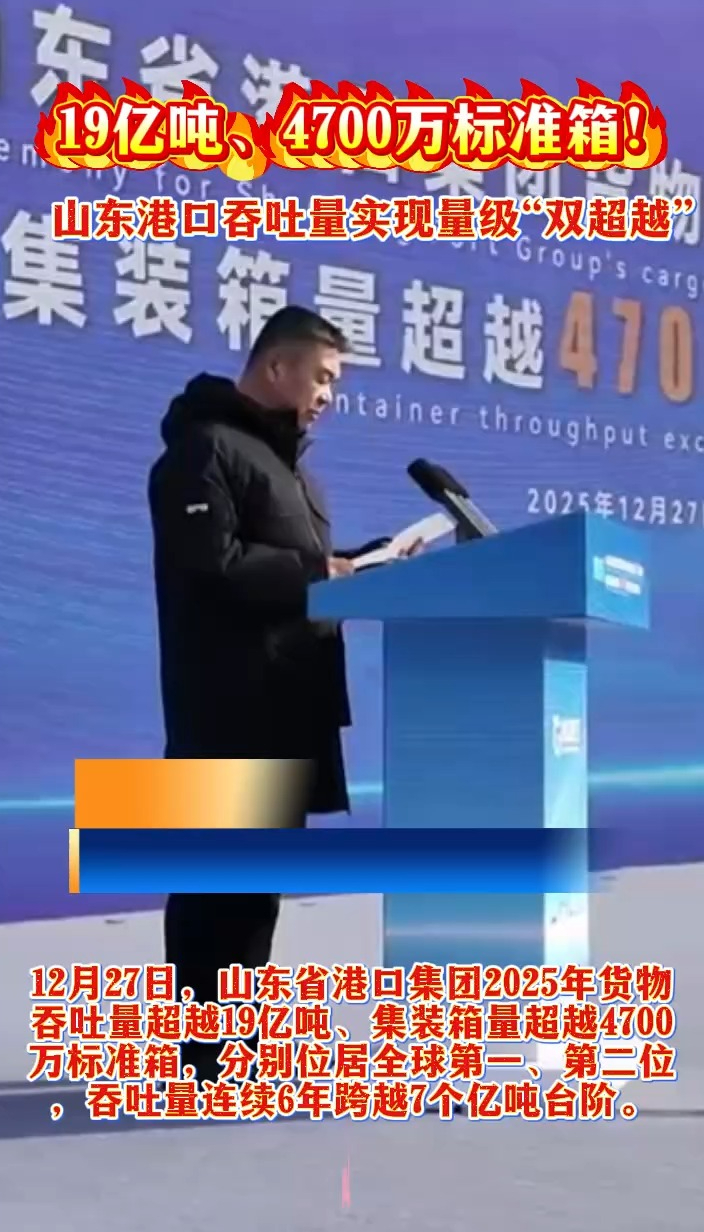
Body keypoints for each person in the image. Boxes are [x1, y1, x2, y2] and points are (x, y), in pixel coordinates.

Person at [148, 305, 400, 1083]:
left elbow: (295, 567)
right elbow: (210, 566)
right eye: (321, 377)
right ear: (277, 366)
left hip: (287, 704)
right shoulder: (201, 450)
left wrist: (367, 565)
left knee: (255, 893)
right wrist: (317, 572)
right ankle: (201, 1060)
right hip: (224, 709)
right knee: (213, 889)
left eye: (334, 382)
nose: (327, 395)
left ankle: (237, 1053)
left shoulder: (293, 471)